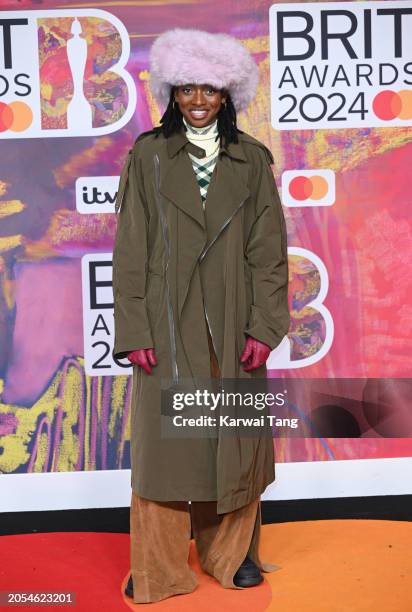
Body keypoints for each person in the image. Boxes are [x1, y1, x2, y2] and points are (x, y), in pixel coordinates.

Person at [112, 28, 290, 604]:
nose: (196, 100)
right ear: (170, 91)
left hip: (235, 321)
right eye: (186, 88)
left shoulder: (252, 159)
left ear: (227, 95)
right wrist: (135, 328)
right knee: (167, 449)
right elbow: (131, 249)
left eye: (209, 90)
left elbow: (269, 256)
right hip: (167, 322)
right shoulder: (148, 155)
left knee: (231, 438)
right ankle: (158, 565)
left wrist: (265, 328)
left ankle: (231, 553)